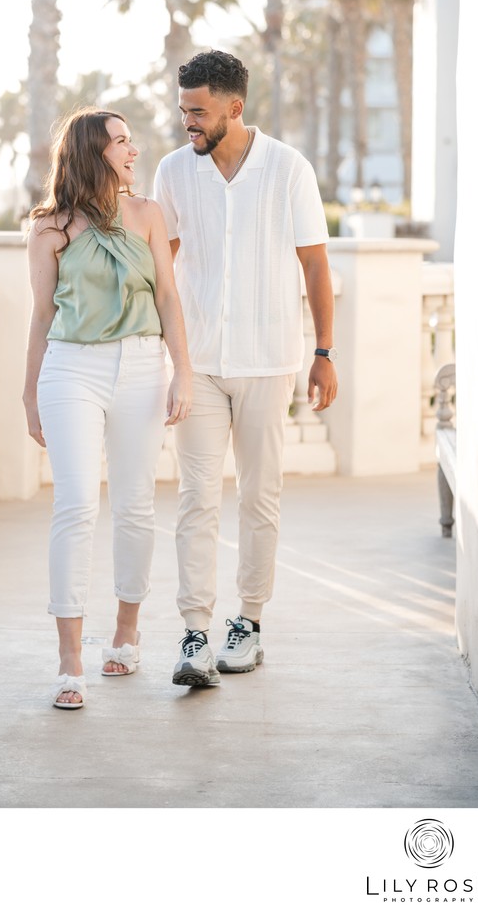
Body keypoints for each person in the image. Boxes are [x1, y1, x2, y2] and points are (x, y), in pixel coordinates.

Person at [153, 50, 338, 687]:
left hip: (268, 361)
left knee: (260, 497)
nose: (188, 124)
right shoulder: (174, 171)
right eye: (183, 112)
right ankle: (195, 633)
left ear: (235, 106)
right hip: (197, 361)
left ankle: (249, 623)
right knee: (195, 501)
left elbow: (315, 265)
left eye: (199, 112)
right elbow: (162, 266)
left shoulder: (288, 169)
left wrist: (323, 353)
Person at [23, 107, 192, 709]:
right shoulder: (48, 229)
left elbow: (169, 298)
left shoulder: (147, 214)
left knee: (136, 505)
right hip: (71, 368)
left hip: (144, 367)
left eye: (130, 140)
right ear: (93, 151)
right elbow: (42, 315)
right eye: (120, 141)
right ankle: (69, 660)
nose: (132, 150)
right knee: (74, 506)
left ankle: (126, 630)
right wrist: (29, 390)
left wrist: (182, 372)